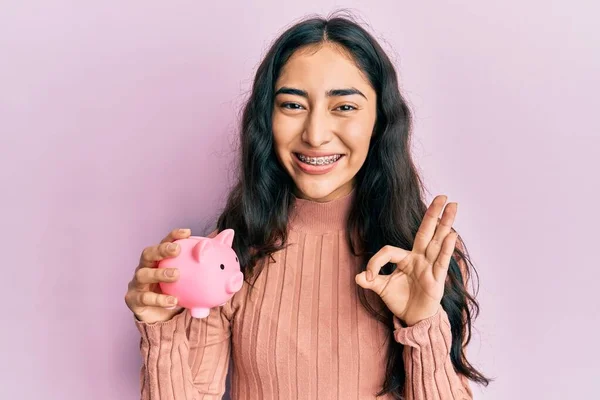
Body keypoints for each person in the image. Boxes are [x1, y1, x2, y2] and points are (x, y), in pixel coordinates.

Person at [124, 13, 490, 400]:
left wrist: (424, 326)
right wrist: (160, 331)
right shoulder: (232, 256)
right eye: (292, 105)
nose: (315, 135)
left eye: (344, 107)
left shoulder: (420, 257)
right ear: (267, 119)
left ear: (380, 122)